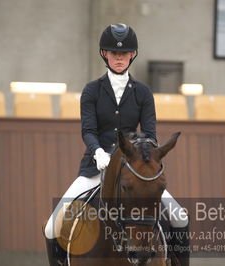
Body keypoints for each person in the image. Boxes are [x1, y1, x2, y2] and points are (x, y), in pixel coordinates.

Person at [43, 23, 189, 266]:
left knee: (180, 217)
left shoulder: (143, 93)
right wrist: (99, 152)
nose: (119, 58)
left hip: (133, 172)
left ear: (132, 55)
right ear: (105, 55)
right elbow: (88, 130)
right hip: (95, 169)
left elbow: (151, 135)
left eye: (124, 54)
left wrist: (137, 154)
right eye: (114, 53)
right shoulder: (92, 91)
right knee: (51, 226)